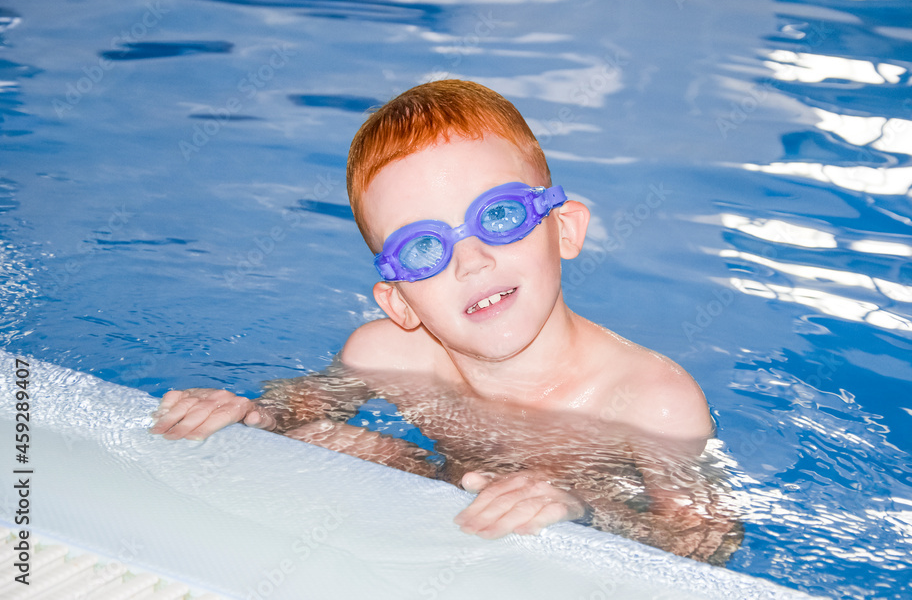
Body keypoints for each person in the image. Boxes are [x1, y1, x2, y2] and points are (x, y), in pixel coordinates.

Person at [150, 80, 739, 562]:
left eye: (499, 215)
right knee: (314, 441)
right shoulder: (386, 355)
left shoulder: (650, 399)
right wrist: (247, 416)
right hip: (448, 493)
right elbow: (295, 409)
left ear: (564, 228)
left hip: (584, 539)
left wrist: (584, 513)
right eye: (423, 248)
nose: (472, 260)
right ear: (400, 303)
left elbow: (706, 541)